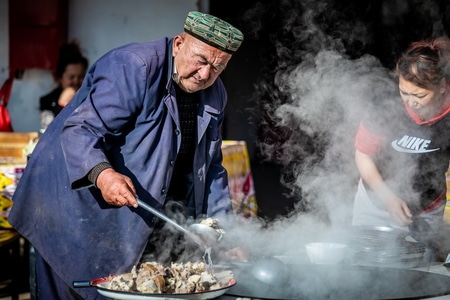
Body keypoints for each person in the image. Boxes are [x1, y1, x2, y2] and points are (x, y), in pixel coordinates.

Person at [8, 11, 244, 299]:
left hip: (131, 216)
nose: (206, 74)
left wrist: (223, 234)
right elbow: (80, 130)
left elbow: (211, 168)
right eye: (201, 60)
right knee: (75, 284)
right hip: (68, 200)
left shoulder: (214, 93)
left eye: (218, 68)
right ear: (180, 44)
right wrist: (104, 174)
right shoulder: (135, 67)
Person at [352, 37, 450, 246]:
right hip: (374, 204)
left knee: (421, 272)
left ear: (442, 87)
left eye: (419, 95)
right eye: (404, 92)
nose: (410, 101)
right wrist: (388, 199)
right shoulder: (384, 104)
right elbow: (363, 154)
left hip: (426, 211)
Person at [39, 41, 88, 130]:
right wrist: (61, 106)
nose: (76, 82)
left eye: (81, 76)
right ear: (59, 77)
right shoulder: (47, 101)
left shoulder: (90, 98)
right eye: (71, 77)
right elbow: (50, 132)